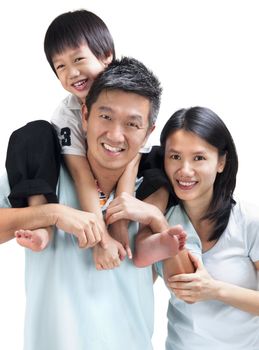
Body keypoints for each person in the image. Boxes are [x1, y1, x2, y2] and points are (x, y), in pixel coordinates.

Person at [0, 57, 187, 350]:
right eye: (106, 117)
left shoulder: (156, 193)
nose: (115, 135)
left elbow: (187, 288)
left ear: (148, 132)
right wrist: (53, 213)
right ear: (84, 115)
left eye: (132, 124)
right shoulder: (44, 177)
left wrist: (156, 219)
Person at [6, 9, 172, 267]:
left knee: (161, 158)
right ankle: (42, 226)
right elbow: (82, 175)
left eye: (78, 59)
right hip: (80, 168)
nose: (72, 73)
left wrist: (119, 224)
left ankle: (144, 239)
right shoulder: (67, 113)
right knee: (35, 133)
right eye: (61, 66)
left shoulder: (135, 98)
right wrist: (101, 238)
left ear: (106, 57)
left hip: (119, 173)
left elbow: (132, 164)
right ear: (85, 115)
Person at [109, 106, 259, 349]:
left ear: (221, 161)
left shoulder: (248, 219)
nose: (184, 170)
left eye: (199, 158)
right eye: (175, 157)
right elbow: (134, 290)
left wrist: (215, 290)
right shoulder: (163, 222)